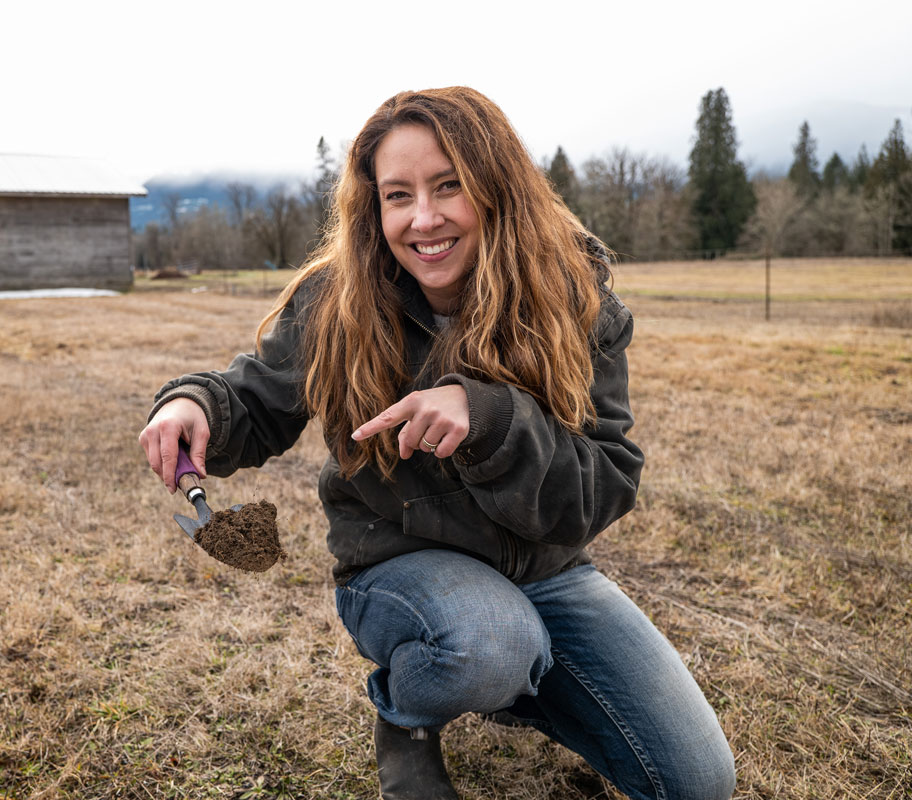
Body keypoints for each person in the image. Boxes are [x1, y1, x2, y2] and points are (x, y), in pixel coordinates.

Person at [139, 87, 735, 800]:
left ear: (496, 185)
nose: (423, 218)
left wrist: (489, 419)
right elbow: (257, 395)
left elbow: (606, 480)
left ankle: (522, 682)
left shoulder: (576, 299)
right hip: (399, 563)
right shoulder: (340, 300)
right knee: (496, 642)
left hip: (547, 569)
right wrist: (193, 402)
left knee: (698, 783)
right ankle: (412, 715)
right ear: (374, 207)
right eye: (398, 195)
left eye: (448, 186)